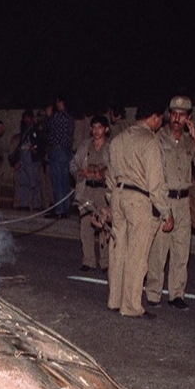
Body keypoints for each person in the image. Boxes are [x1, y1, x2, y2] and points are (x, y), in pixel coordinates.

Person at [145, 95, 195, 310]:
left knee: (181, 251)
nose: (176, 118)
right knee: (159, 251)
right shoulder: (157, 138)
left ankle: (177, 294)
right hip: (163, 200)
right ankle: (153, 293)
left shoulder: (189, 141)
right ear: (168, 115)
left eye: (182, 115)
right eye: (174, 114)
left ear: (188, 118)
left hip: (183, 202)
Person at [106, 106, 171, 318]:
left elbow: (110, 175)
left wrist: (111, 199)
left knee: (118, 250)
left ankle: (114, 299)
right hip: (139, 199)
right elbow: (155, 183)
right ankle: (131, 306)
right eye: (160, 119)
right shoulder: (150, 141)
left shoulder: (117, 140)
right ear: (154, 117)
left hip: (118, 195)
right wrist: (166, 212)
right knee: (137, 254)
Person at [70, 115, 112, 272]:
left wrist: (102, 173)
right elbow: (73, 164)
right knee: (86, 226)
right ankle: (88, 260)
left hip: (103, 191)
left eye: (100, 127)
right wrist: (80, 173)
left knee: (104, 225)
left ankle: (105, 261)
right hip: (86, 190)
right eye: (94, 127)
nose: (96, 131)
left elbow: (115, 168)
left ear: (106, 129)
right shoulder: (85, 146)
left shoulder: (111, 148)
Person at [45, 94, 76, 217]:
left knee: (57, 182)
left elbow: (48, 129)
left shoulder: (56, 117)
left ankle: (59, 210)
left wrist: (48, 116)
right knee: (65, 182)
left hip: (57, 151)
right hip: (67, 151)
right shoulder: (70, 117)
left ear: (59, 102)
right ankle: (65, 209)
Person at [10, 109, 45, 210]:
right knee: (23, 183)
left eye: (27, 118)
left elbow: (41, 143)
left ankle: (36, 204)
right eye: (24, 118)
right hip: (23, 160)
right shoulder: (24, 131)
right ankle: (23, 204)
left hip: (32, 160)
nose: (26, 120)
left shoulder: (36, 129)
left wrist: (35, 148)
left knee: (35, 183)